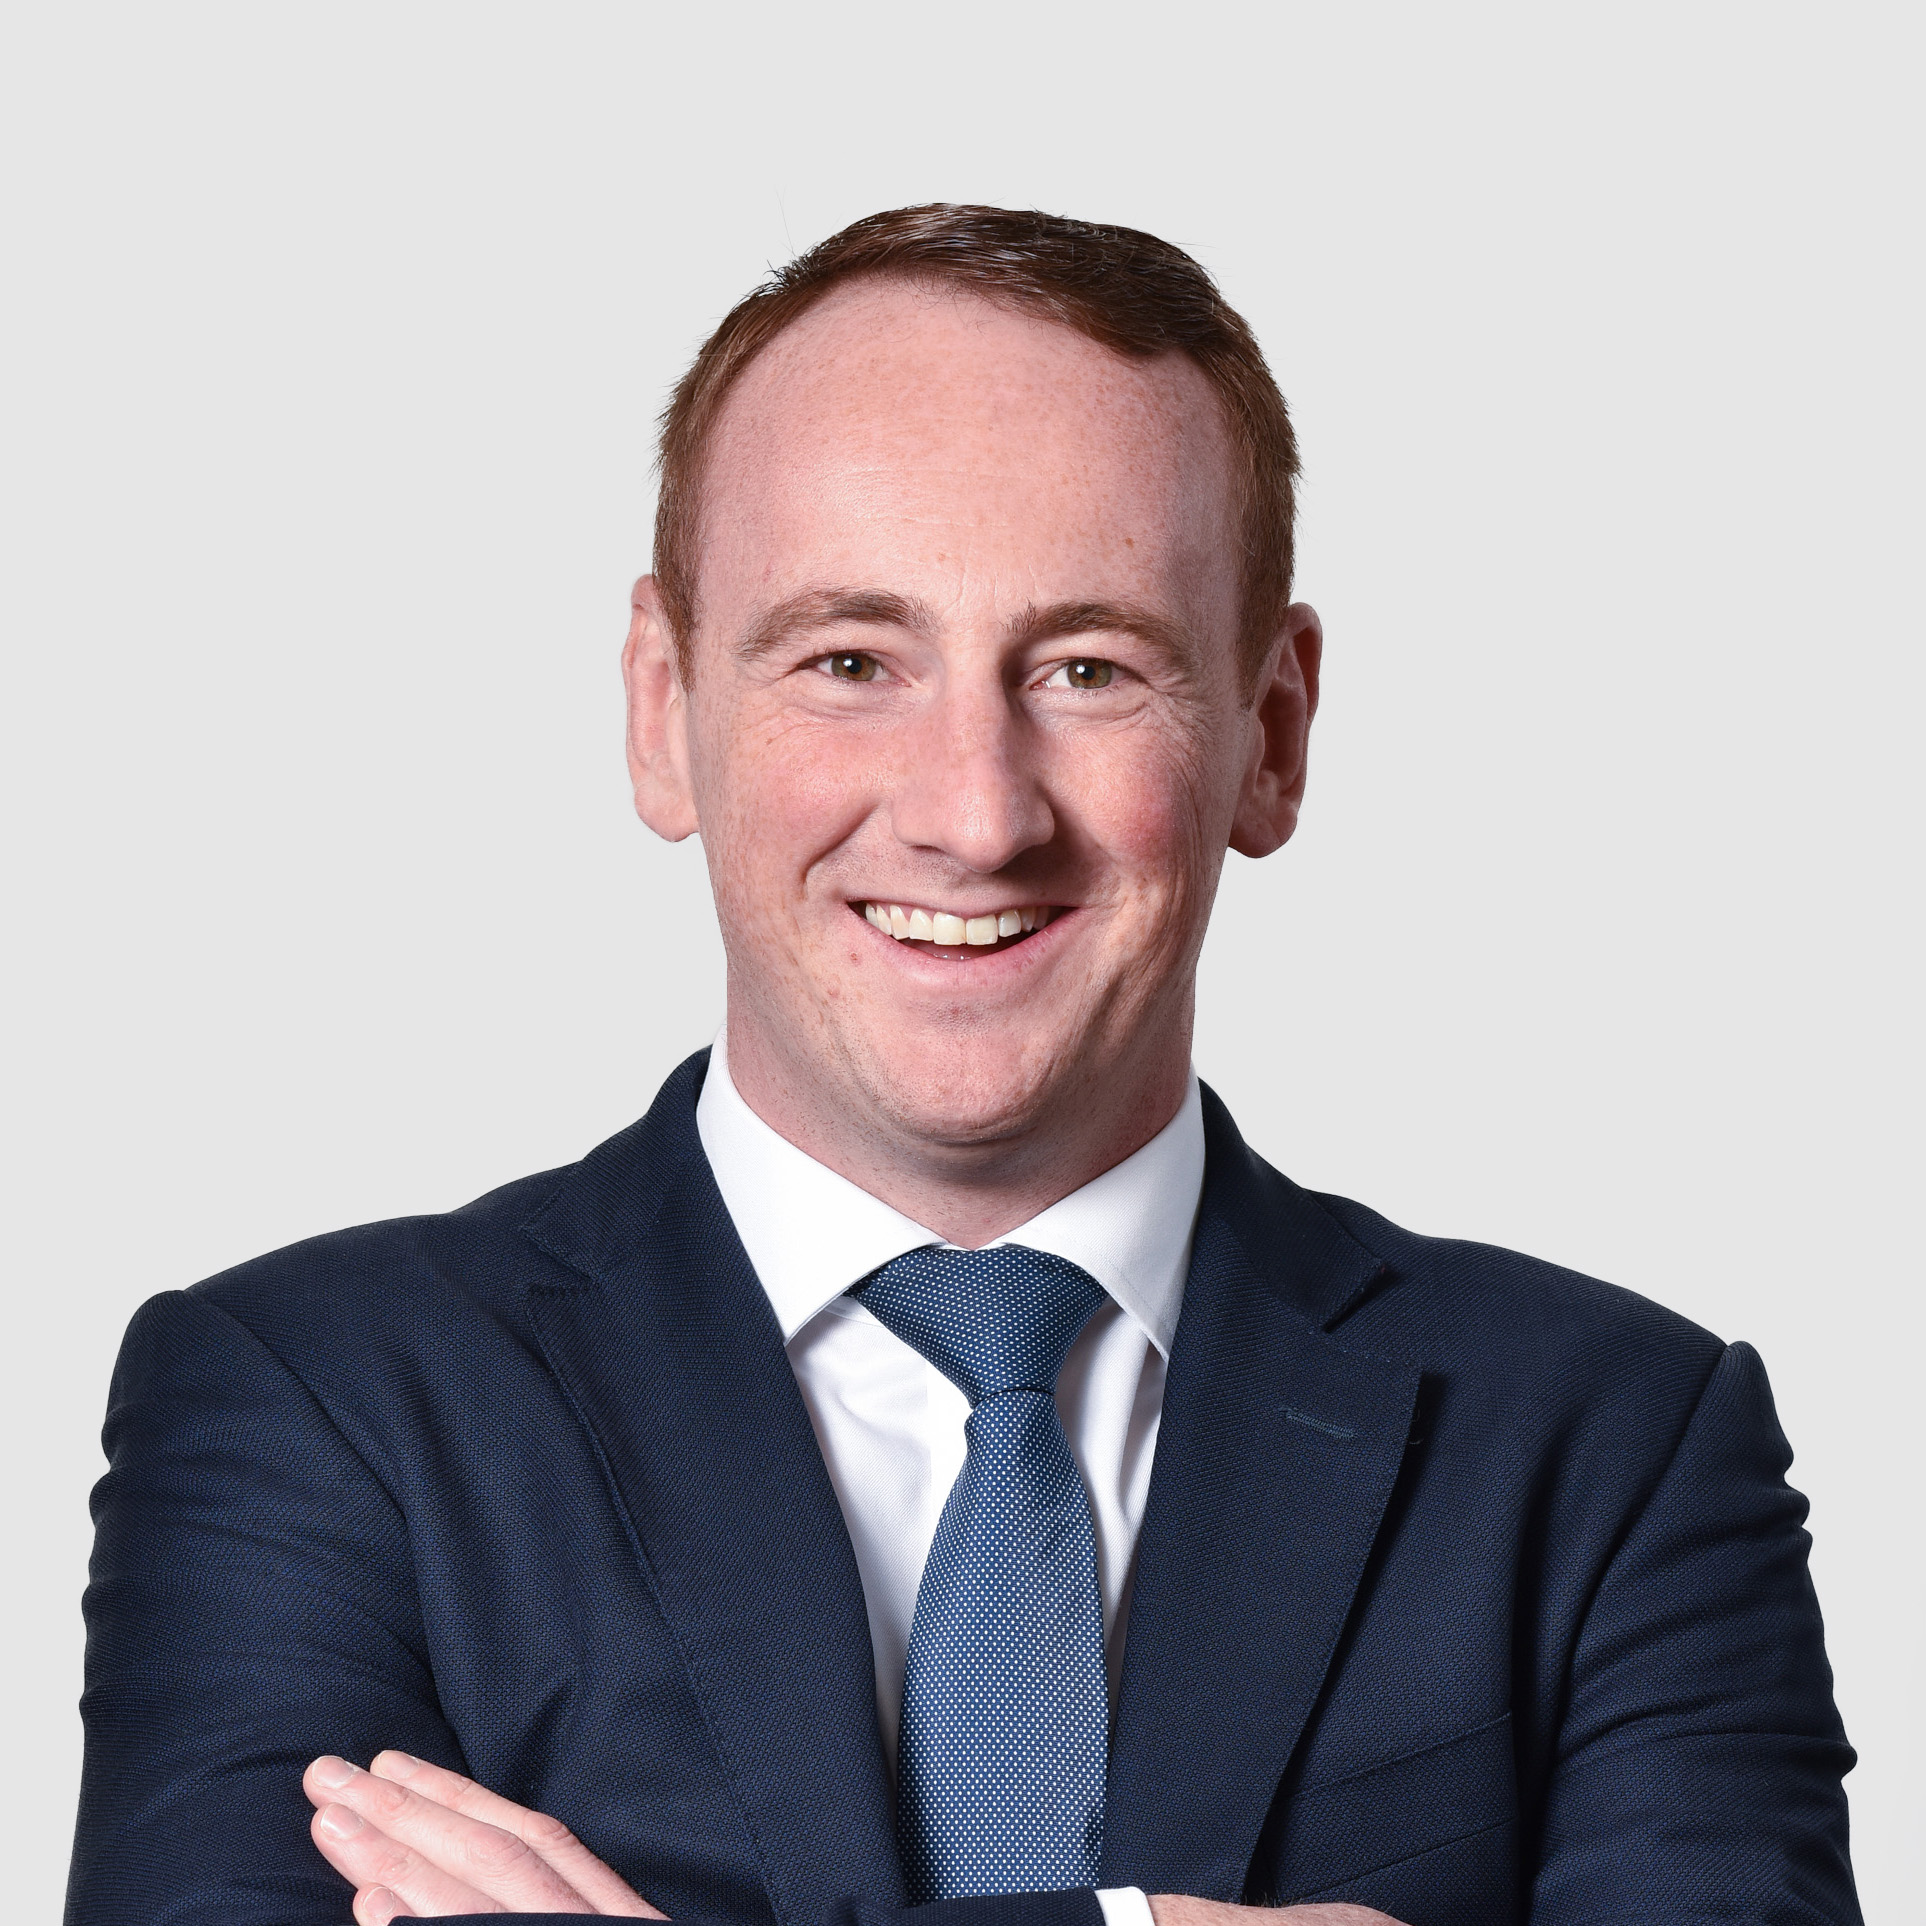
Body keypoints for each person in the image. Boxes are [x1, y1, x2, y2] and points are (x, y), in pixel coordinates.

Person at [66, 205, 1859, 1926]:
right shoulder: (316, 1409)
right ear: (661, 707)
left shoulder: (1614, 1446)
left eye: (1087, 669)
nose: (974, 812)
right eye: (852, 659)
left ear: (1271, 732)